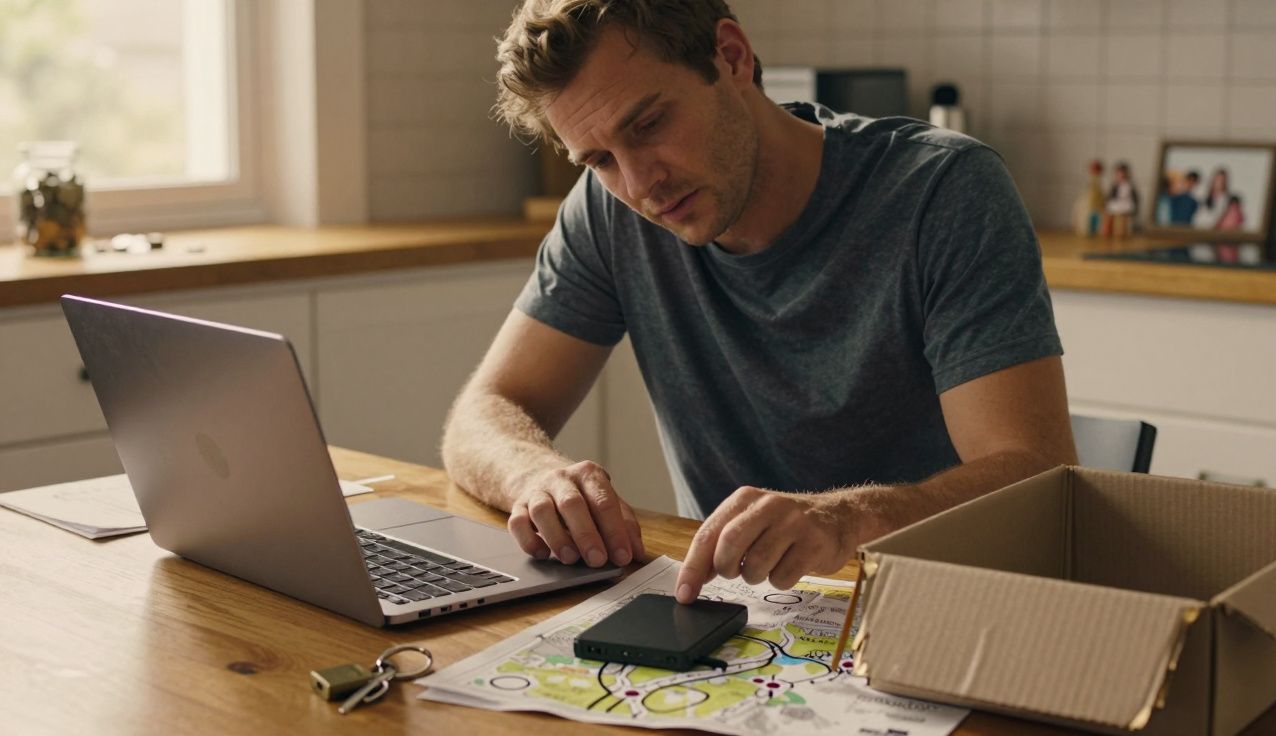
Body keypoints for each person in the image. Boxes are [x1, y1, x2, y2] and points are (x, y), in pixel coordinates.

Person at [442, 0, 1077, 603]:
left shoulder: (942, 192)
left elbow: (1037, 474)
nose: (640, 185)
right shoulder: (609, 215)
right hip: (733, 614)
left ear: (731, 55)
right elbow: (486, 410)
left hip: (932, 600)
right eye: (601, 159)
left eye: (649, 123)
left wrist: (848, 518)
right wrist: (533, 476)